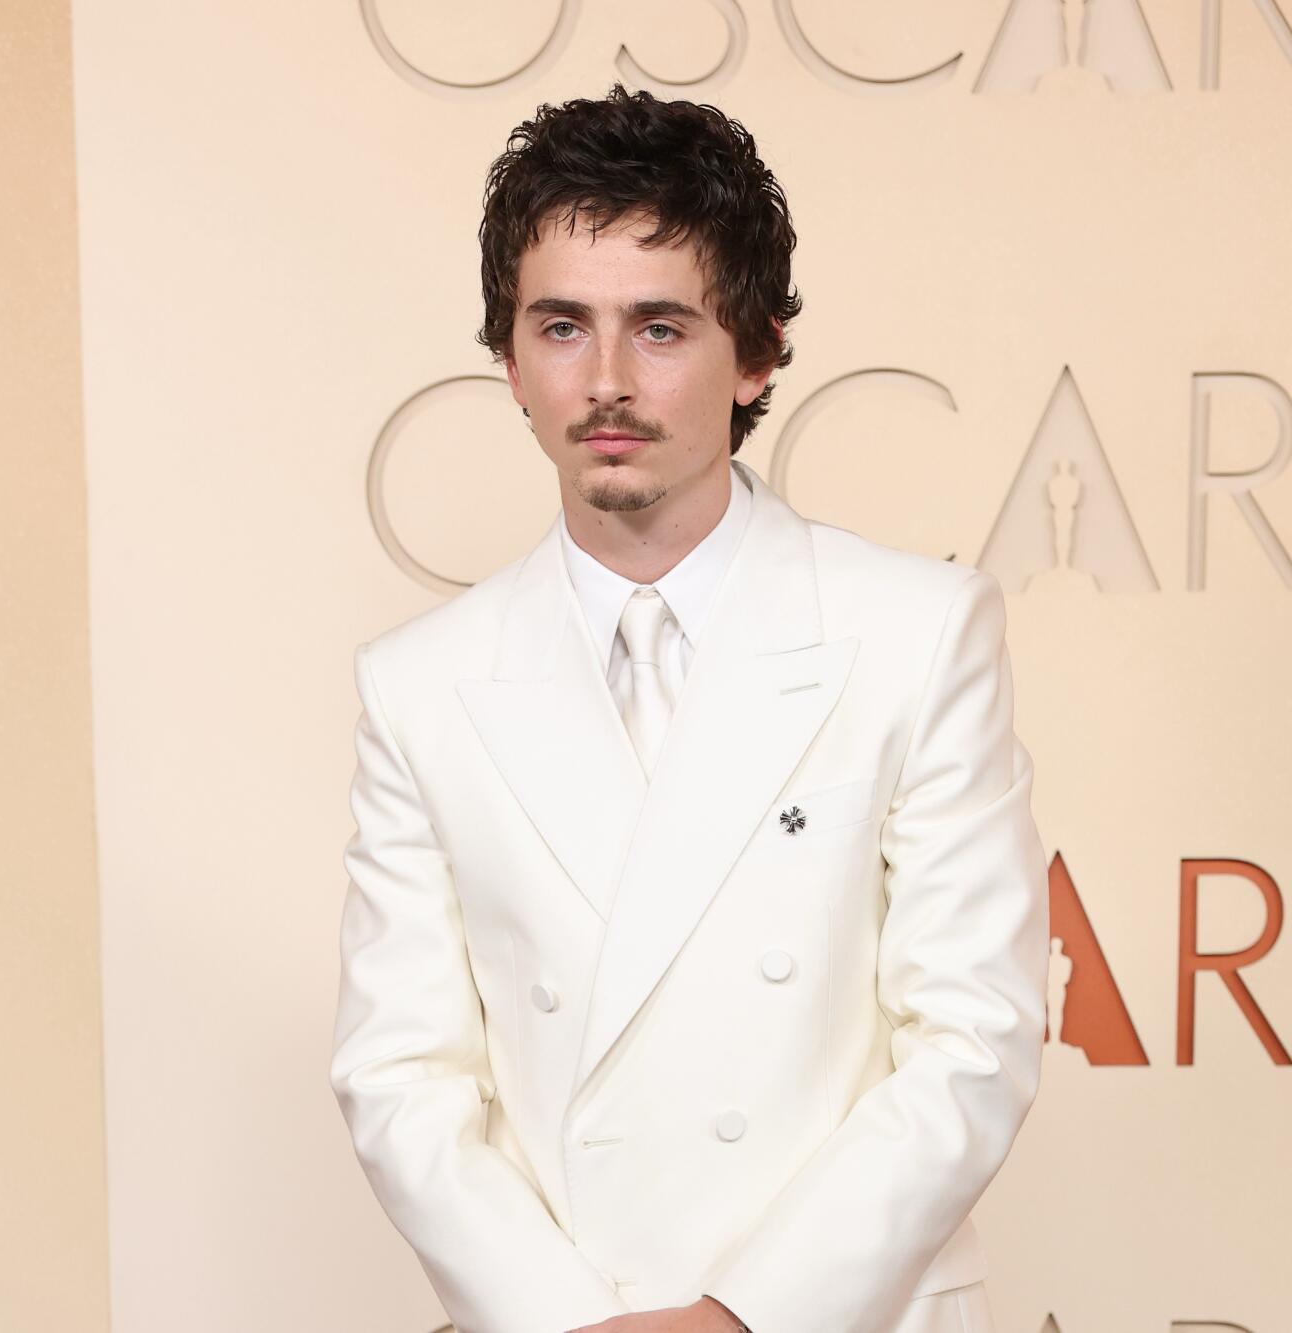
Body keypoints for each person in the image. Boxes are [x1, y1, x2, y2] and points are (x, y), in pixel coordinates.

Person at [329, 84, 1048, 1333]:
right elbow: (399, 1073)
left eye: (659, 328)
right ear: (508, 356)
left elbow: (972, 1036)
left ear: (756, 351)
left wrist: (738, 1315)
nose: (605, 380)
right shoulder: (419, 682)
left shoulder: (913, 632)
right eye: (561, 326)